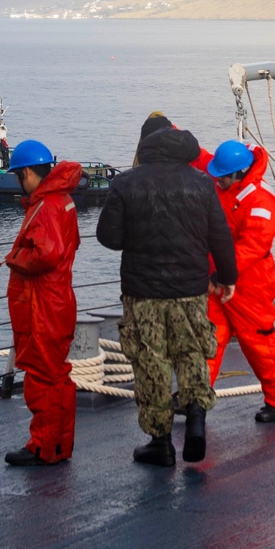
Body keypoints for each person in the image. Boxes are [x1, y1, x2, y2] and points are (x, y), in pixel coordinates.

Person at [97, 123, 236, 467]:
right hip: (190, 290)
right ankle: (197, 420)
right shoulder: (202, 183)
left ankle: (160, 442)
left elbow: (109, 238)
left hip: (142, 292)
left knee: (151, 363)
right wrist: (227, 277)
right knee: (191, 355)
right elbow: (220, 236)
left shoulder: (127, 182)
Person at [3, 140, 81, 468]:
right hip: (57, 299)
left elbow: (45, 254)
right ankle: (59, 444)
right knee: (58, 375)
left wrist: (14, 257)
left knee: (41, 377)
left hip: (42, 305)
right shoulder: (63, 201)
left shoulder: (46, 206)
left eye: (19, 176)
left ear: (28, 173)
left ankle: (44, 447)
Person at [204, 140, 275, 423]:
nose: (217, 181)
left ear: (238, 174)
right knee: (207, 339)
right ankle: (196, 396)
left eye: (222, 176)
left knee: (259, 344)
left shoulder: (262, 201)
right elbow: (199, 157)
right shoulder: (226, 186)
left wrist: (224, 274)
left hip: (249, 285)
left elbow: (253, 245)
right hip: (219, 280)